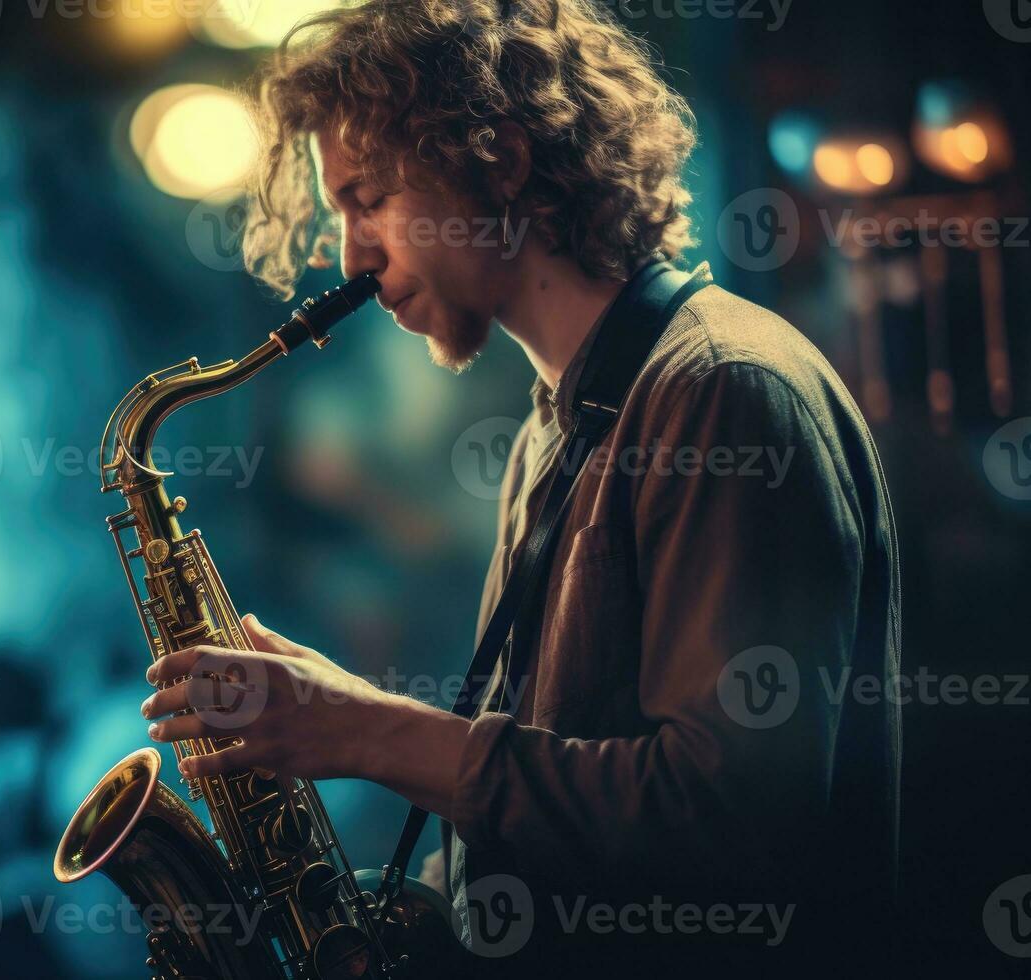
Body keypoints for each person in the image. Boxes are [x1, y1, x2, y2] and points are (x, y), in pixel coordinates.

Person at [142, 0, 900, 972]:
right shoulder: (564, 422)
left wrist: (365, 729)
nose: (350, 256)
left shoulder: (721, 390)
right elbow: (558, 814)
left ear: (497, 162)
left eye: (366, 196)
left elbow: (731, 820)